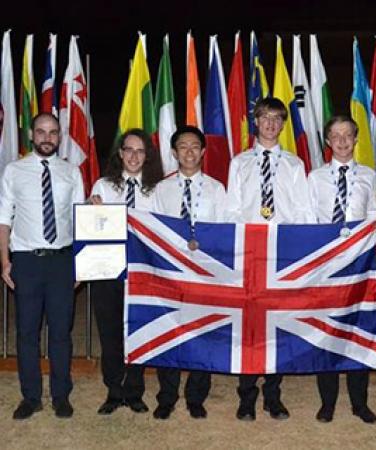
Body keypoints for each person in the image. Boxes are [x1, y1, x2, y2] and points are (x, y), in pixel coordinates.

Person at [225, 97, 315, 421]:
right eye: (265, 117)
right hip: (250, 251)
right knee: (249, 325)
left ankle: (273, 395)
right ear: (255, 121)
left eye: (277, 118)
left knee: (277, 324)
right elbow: (231, 210)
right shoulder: (240, 163)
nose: (271, 124)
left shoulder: (294, 165)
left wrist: (298, 249)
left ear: (283, 124)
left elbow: (303, 211)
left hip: (281, 252)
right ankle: (246, 395)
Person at [0, 113, 85, 419]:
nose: (47, 138)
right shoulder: (14, 170)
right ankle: (31, 397)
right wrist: (4, 261)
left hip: (62, 261)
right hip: (26, 261)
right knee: (26, 333)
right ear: (32, 136)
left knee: (61, 332)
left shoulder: (71, 172)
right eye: (41, 132)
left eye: (52, 132)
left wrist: (82, 265)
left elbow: (80, 220)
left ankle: (61, 395)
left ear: (59, 136)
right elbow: (3, 219)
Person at [149, 125, 226, 420]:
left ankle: (196, 396)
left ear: (204, 152)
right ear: (173, 152)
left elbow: (224, 229)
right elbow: (153, 229)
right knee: (170, 330)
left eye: (195, 146)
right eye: (183, 146)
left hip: (205, 272)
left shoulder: (217, 189)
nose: (189, 152)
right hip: (171, 272)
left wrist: (204, 243)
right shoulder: (162, 189)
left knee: (202, 332)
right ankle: (166, 396)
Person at [308, 115, 376, 424]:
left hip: (359, 265)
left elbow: (374, 217)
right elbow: (308, 221)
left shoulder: (369, 175)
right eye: (335, 136)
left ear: (355, 138)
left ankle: (360, 402)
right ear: (327, 141)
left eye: (347, 135)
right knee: (327, 331)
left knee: (357, 330)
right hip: (326, 266)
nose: (341, 141)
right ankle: (328, 402)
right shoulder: (315, 177)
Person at [89, 128, 164, 415]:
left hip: (144, 273)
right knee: (110, 333)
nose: (134, 156)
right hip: (109, 271)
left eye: (140, 151)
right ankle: (113, 390)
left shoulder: (157, 190)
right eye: (129, 150)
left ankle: (134, 392)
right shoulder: (103, 186)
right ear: (120, 154)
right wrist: (92, 210)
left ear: (147, 156)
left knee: (138, 331)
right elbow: (91, 229)